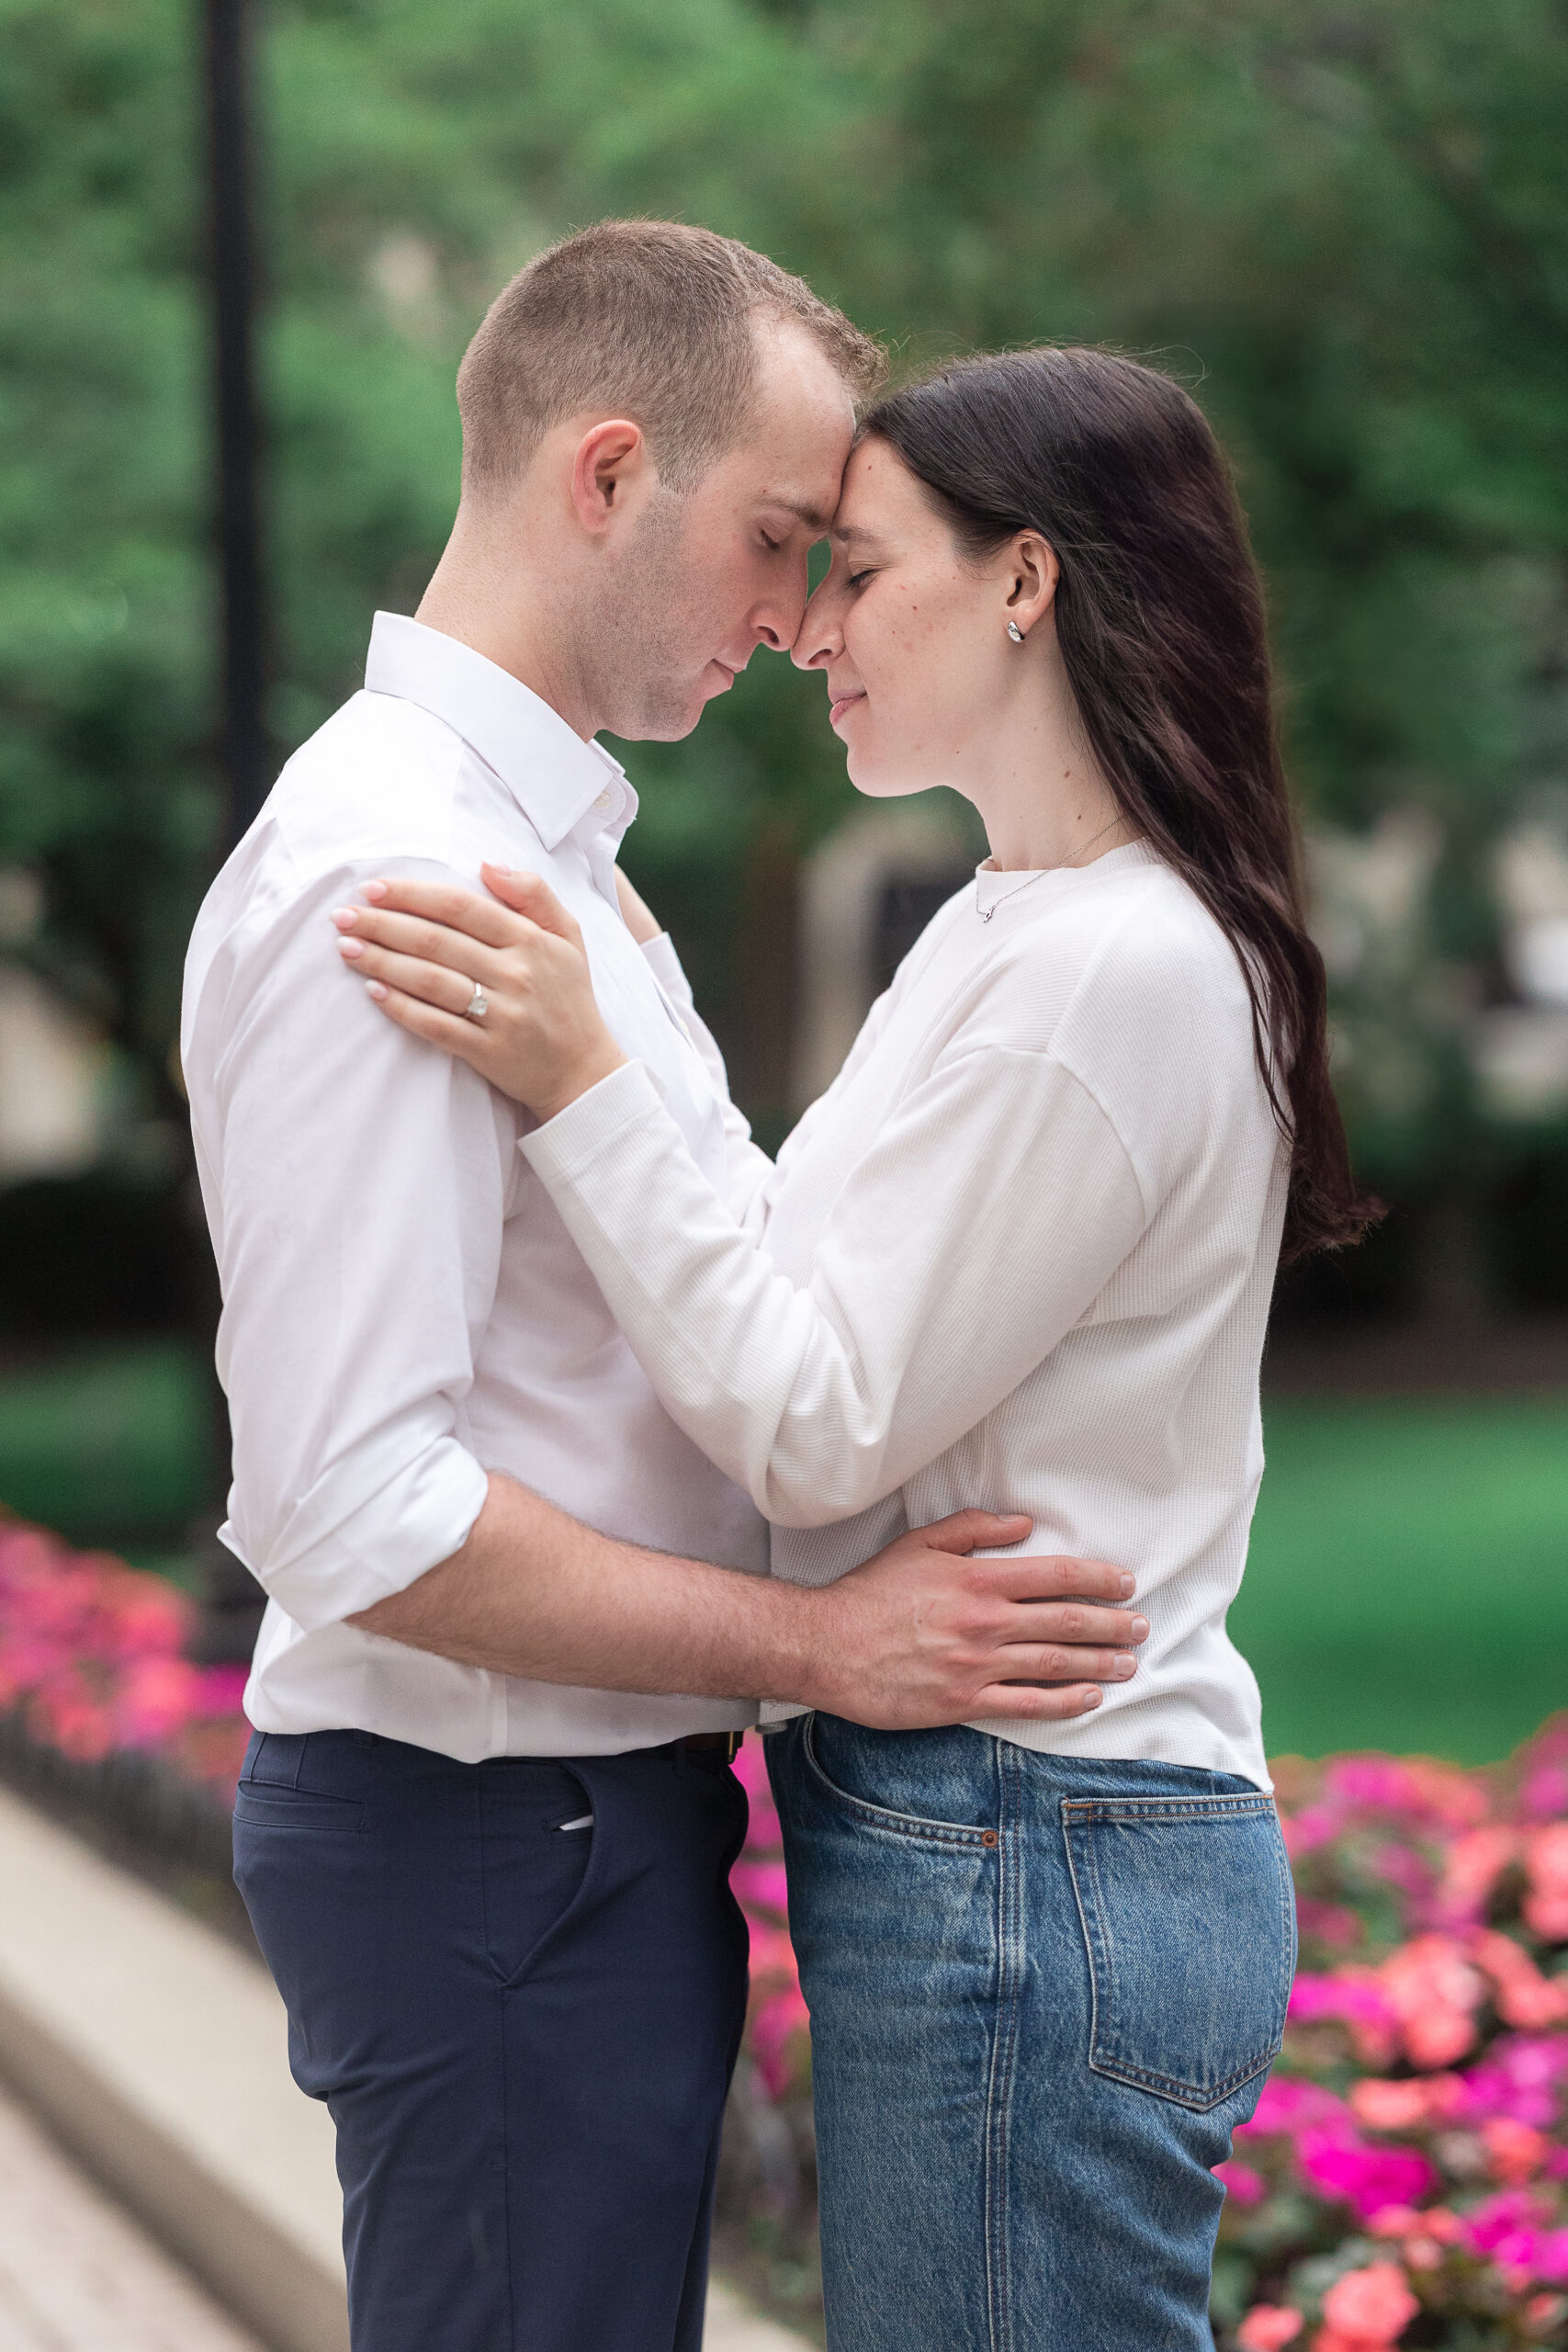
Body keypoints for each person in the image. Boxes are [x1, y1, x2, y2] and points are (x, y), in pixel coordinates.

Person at [334, 344, 1381, 2351]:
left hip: (1033, 1829)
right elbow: (798, 1281)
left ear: (1023, 581)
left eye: (859, 570)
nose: (807, 630)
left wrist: (580, 1086)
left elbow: (808, 1422)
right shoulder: (1010, 924)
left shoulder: (1111, 969)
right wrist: (636, 1034)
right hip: (999, 1834)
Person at [182, 232, 1145, 2352]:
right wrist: (822, 1642)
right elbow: (352, 1506)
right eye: (781, 540)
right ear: (607, 474)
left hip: (555, 1831)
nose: (800, 617)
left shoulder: (543, 857)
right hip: (490, 1837)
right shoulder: (400, 874)